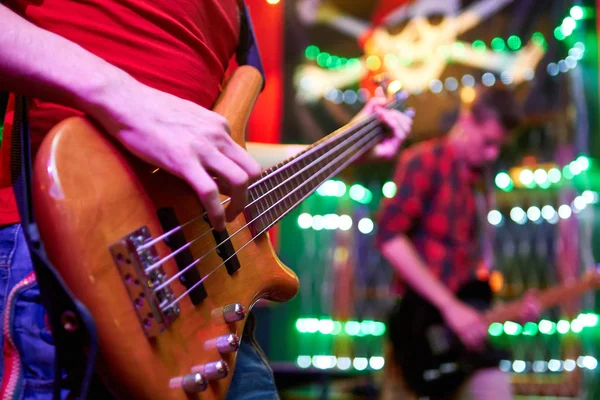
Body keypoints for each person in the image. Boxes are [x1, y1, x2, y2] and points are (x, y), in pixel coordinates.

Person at [0, 1, 413, 399]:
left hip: (202, 294)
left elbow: (219, 153)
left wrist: (355, 137)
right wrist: (126, 98)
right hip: (64, 250)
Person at [376, 85, 539, 399]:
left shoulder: (480, 183)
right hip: (417, 327)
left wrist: (507, 310)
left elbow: (469, 281)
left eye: (499, 146)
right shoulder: (424, 161)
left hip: (459, 339)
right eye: (488, 142)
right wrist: (450, 307)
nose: (493, 153)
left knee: (495, 387)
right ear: (466, 121)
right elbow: (388, 237)